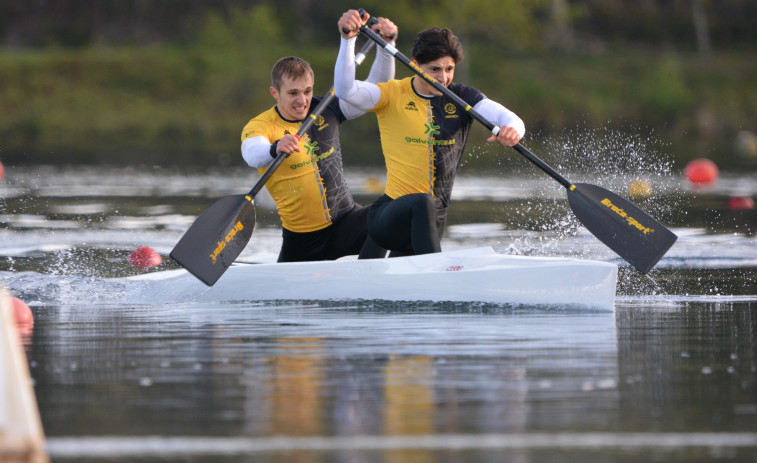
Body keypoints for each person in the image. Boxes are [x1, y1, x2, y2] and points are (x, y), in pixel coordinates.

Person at [335, 10, 526, 257]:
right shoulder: (392, 94)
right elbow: (345, 91)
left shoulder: (463, 98)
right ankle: (435, 273)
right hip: (388, 219)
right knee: (421, 201)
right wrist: (348, 40)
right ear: (414, 64)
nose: (443, 77)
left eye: (449, 69)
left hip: (433, 222)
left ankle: (368, 268)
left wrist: (513, 131)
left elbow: (510, 118)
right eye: (434, 69)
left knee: (406, 271)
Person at [241, 17, 398, 262]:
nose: (302, 100)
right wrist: (275, 148)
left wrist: (386, 46)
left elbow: (374, 91)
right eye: (292, 93)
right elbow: (251, 152)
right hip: (303, 240)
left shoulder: (327, 108)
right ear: (275, 93)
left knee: (389, 215)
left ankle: (370, 278)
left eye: (307, 91)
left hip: (347, 221)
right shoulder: (262, 125)